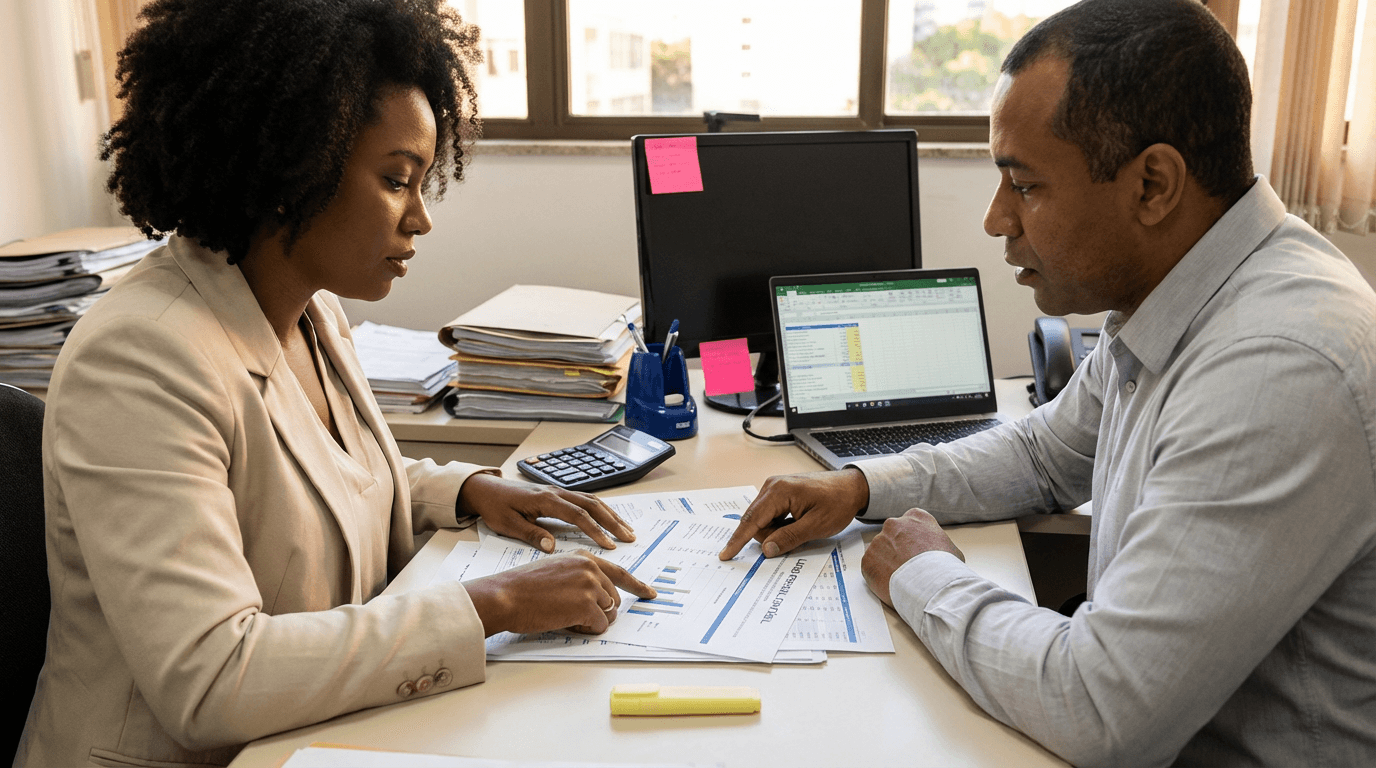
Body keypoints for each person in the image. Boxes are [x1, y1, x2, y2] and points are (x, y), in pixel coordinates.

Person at [720, 0, 1376, 764]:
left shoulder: (1277, 367)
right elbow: (1042, 454)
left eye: (1024, 186)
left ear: (1153, 184)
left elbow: (1102, 710)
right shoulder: (1184, 291)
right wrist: (863, 488)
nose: (998, 221)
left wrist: (921, 572)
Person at [16, 1, 656, 765]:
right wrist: (497, 604)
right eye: (395, 180)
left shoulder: (312, 312)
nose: (420, 219)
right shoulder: (138, 358)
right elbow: (210, 678)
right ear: (293, 166)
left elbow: (315, 476)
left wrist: (464, 491)